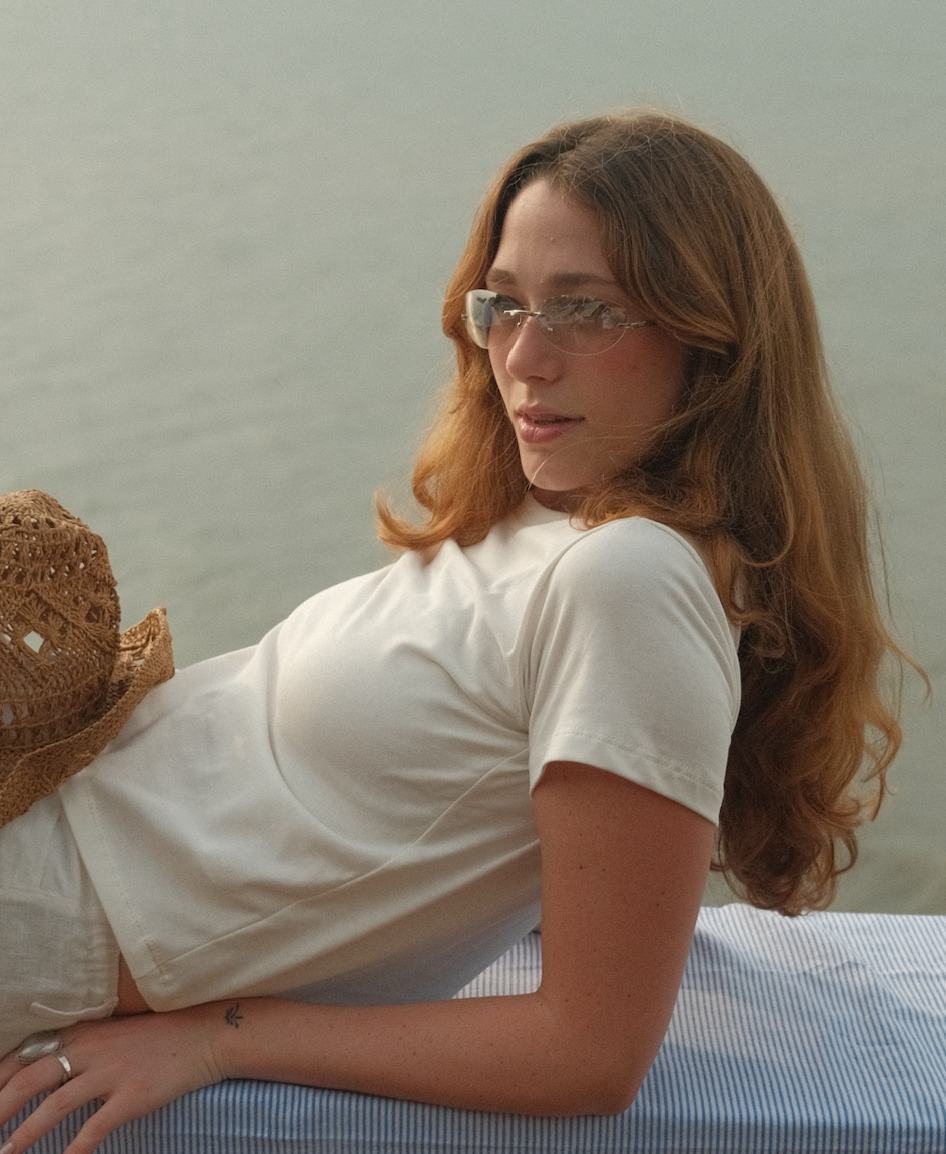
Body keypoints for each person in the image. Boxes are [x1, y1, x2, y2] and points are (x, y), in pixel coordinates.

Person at [0, 109, 907, 1154]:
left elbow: (590, 1050)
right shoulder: (549, 518)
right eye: (504, 303)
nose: (524, 355)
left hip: (50, 907)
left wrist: (221, 1039)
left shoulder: (629, 580)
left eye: (586, 310)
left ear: (712, 339)